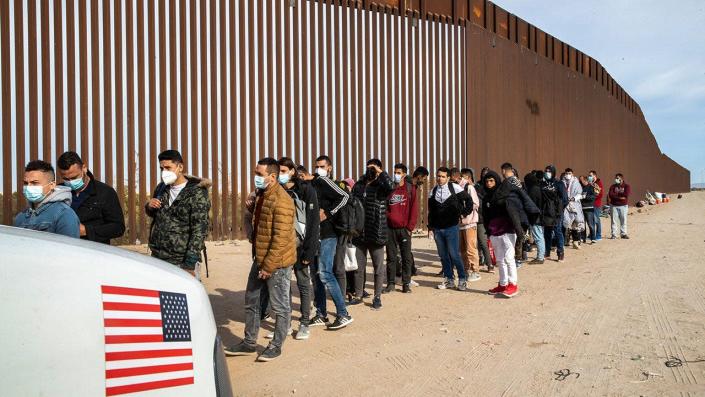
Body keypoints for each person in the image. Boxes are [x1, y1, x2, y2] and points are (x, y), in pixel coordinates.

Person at [224, 158, 297, 362]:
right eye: (255, 173)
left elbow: (281, 238)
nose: (255, 177)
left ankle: (276, 345)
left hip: (277, 263)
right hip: (261, 258)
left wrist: (268, 266)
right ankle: (249, 343)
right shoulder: (262, 195)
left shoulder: (282, 201)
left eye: (259, 174)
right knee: (251, 301)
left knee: (280, 306)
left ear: (272, 177)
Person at [145, 150, 210, 277]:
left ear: (180, 167)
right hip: (158, 257)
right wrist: (149, 206)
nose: (164, 172)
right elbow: (156, 216)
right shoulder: (161, 188)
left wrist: (190, 264)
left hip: (181, 260)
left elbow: (199, 230)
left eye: (168, 167)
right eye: (162, 168)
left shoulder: (197, 192)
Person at [278, 157, 320, 340]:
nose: (280, 175)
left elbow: (313, 222)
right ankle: (285, 323)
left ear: (292, 171)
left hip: (301, 247)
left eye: (283, 171)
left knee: (303, 284)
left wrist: (309, 251)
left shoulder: (306, 190)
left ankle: (304, 322)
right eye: (278, 171)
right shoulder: (277, 191)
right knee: (284, 286)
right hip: (283, 247)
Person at [310, 155, 353, 329]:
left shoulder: (327, 182)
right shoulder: (316, 183)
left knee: (325, 273)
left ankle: (343, 314)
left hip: (328, 235)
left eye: (322, 166)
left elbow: (344, 196)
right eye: (316, 166)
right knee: (317, 276)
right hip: (316, 236)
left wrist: (328, 212)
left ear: (329, 167)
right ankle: (321, 313)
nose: (318, 169)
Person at [351, 159, 394, 309]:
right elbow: (352, 203)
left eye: (373, 168)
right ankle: (358, 295)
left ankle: (377, 297)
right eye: (369, 168)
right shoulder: (360, 184)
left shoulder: (382, 185)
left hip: (377, 231)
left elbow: (391, 187)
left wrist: (381, 173)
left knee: (378, 268)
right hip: (360, 233)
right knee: (358, 267)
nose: (371, 171)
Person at [56, 151, 125, 244]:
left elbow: (118, 228)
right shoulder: (58, 192)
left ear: (84, 168)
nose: (70, 182)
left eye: (74, 177)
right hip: (64, 248)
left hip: (94, 251)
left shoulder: (105, 192)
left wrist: (86, 231)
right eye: (66, 179)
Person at [428, 167, 472, 291]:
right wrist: (430, 228)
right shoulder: (433, 191)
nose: (439, 178)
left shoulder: (455, 188)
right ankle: (449, 279)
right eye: (438, 176)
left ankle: (462, 279)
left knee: (454, 255)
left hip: (451, 227)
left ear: (448, 177)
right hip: (438, 229)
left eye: (442, 176)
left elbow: (469, 201)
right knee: (443, 256)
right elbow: (431, 212)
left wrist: (463, 213)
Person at [14, 160, 80, 238]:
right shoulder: (20, 217)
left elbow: (69, 248)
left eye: (35, 183)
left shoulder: (64, 214)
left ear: (52, 185)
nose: (29, 187)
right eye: (26, 183)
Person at [385, 163, 418, 294]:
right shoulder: (390, 188)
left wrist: (409, 227)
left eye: (398, 172)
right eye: (395, 172)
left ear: (404, 174)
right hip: (390, 229)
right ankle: (391, 283)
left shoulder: (410, 189)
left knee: (406, 257)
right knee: (391, 257)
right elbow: (386, 206)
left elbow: (414, 209)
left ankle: (406, 283)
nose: (396, 175)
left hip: (404, 229)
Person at [540, 165, 568, 262]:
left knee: (558, 231)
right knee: (547, 233)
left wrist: (560, 209)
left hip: (556, 212)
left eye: (549, 171)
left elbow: (565, 199)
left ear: (553, 172)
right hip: (546, 212)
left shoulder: (559, 184)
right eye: (546, 171)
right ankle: (547, 252)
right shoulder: (543, 184)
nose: (547, 173)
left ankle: (560, 252)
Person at [458, 168, 481, 282]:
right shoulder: (458, 189)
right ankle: (466, 269)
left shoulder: (470, 188)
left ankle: (475, 271)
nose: (459, 179)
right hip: (460, 224)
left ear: (467, 177)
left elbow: (475, 203)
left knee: (471, 248)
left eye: (461, 177)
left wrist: (465, 212)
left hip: (470, 223)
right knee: (462, 249)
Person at [474, 167, 493, 273]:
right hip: (478, 217)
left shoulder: (491, 188)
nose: (484, 176)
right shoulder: (476, 186)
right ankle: (480, 260)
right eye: (483, 174)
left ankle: (489, 264)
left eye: (487, 174)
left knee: (483, 241)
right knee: (476, 242)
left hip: (485, 218)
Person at [525, 170, 545, 264]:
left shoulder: (532, 190)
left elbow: (531, 204)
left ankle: (540, 257)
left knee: (538, 236)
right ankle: (541, 255)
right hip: (539, 215)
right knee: (540, 235)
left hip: (535, 216)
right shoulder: (538, 188)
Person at [562, 168, 586, 250]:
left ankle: (576, 242)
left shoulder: (576, 183)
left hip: (575, 205)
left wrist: (574, 198)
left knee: (576, 224)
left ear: (572, 174)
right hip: (565, 206)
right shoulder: (562, 182)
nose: (568, 174)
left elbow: (580, 194)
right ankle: (562, 242)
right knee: (564, 223)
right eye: (566, 173)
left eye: (569, 173)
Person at [608, 173, 631, 239]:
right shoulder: (613, 186)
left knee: (623, 220)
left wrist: (616, 195)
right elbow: (611, 195)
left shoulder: (626, 186)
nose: (616, 179)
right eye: (616, 178)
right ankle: (614, 235)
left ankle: (623, 234)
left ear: (621, 179)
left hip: (623, 206)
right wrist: (620, 197)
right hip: (614, 206)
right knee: (614, 221)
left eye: (617, 178)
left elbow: (626, 194)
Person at [579, 175, 597, 244]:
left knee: (590, 224)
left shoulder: (591, 187)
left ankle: (593, 238)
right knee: (582, 225)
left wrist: (585, 197)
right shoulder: (581, 187)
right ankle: (583, 238)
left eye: (582, 180)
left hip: (589, 208)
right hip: (581, 208)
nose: (581, 181)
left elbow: (593, 197)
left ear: (585, 180)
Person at [588, 170, 604, 241]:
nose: (589, 177)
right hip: (590, 204)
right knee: (591, 220)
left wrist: (592, 197)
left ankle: (598, 235)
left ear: (595, 176)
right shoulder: (590, 183)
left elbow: (600, 194)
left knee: (596, 220)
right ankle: (591, 234)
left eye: (591, 175)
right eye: (589, 176)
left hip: (596, 204)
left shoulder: (599, 183)